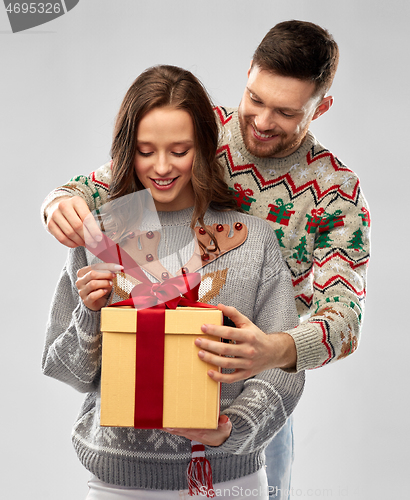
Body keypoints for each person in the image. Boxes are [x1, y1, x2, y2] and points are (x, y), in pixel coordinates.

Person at [41, 20, 371, 498]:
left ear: (322, 107)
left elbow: (346, 317)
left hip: (253, 385)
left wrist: (271, 350)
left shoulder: (335, 191)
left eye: (284, 112)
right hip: (127, 445)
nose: (259, 121)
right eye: (254, 98)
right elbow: (108, 183)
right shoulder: (202, 129)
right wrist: (57, 200)